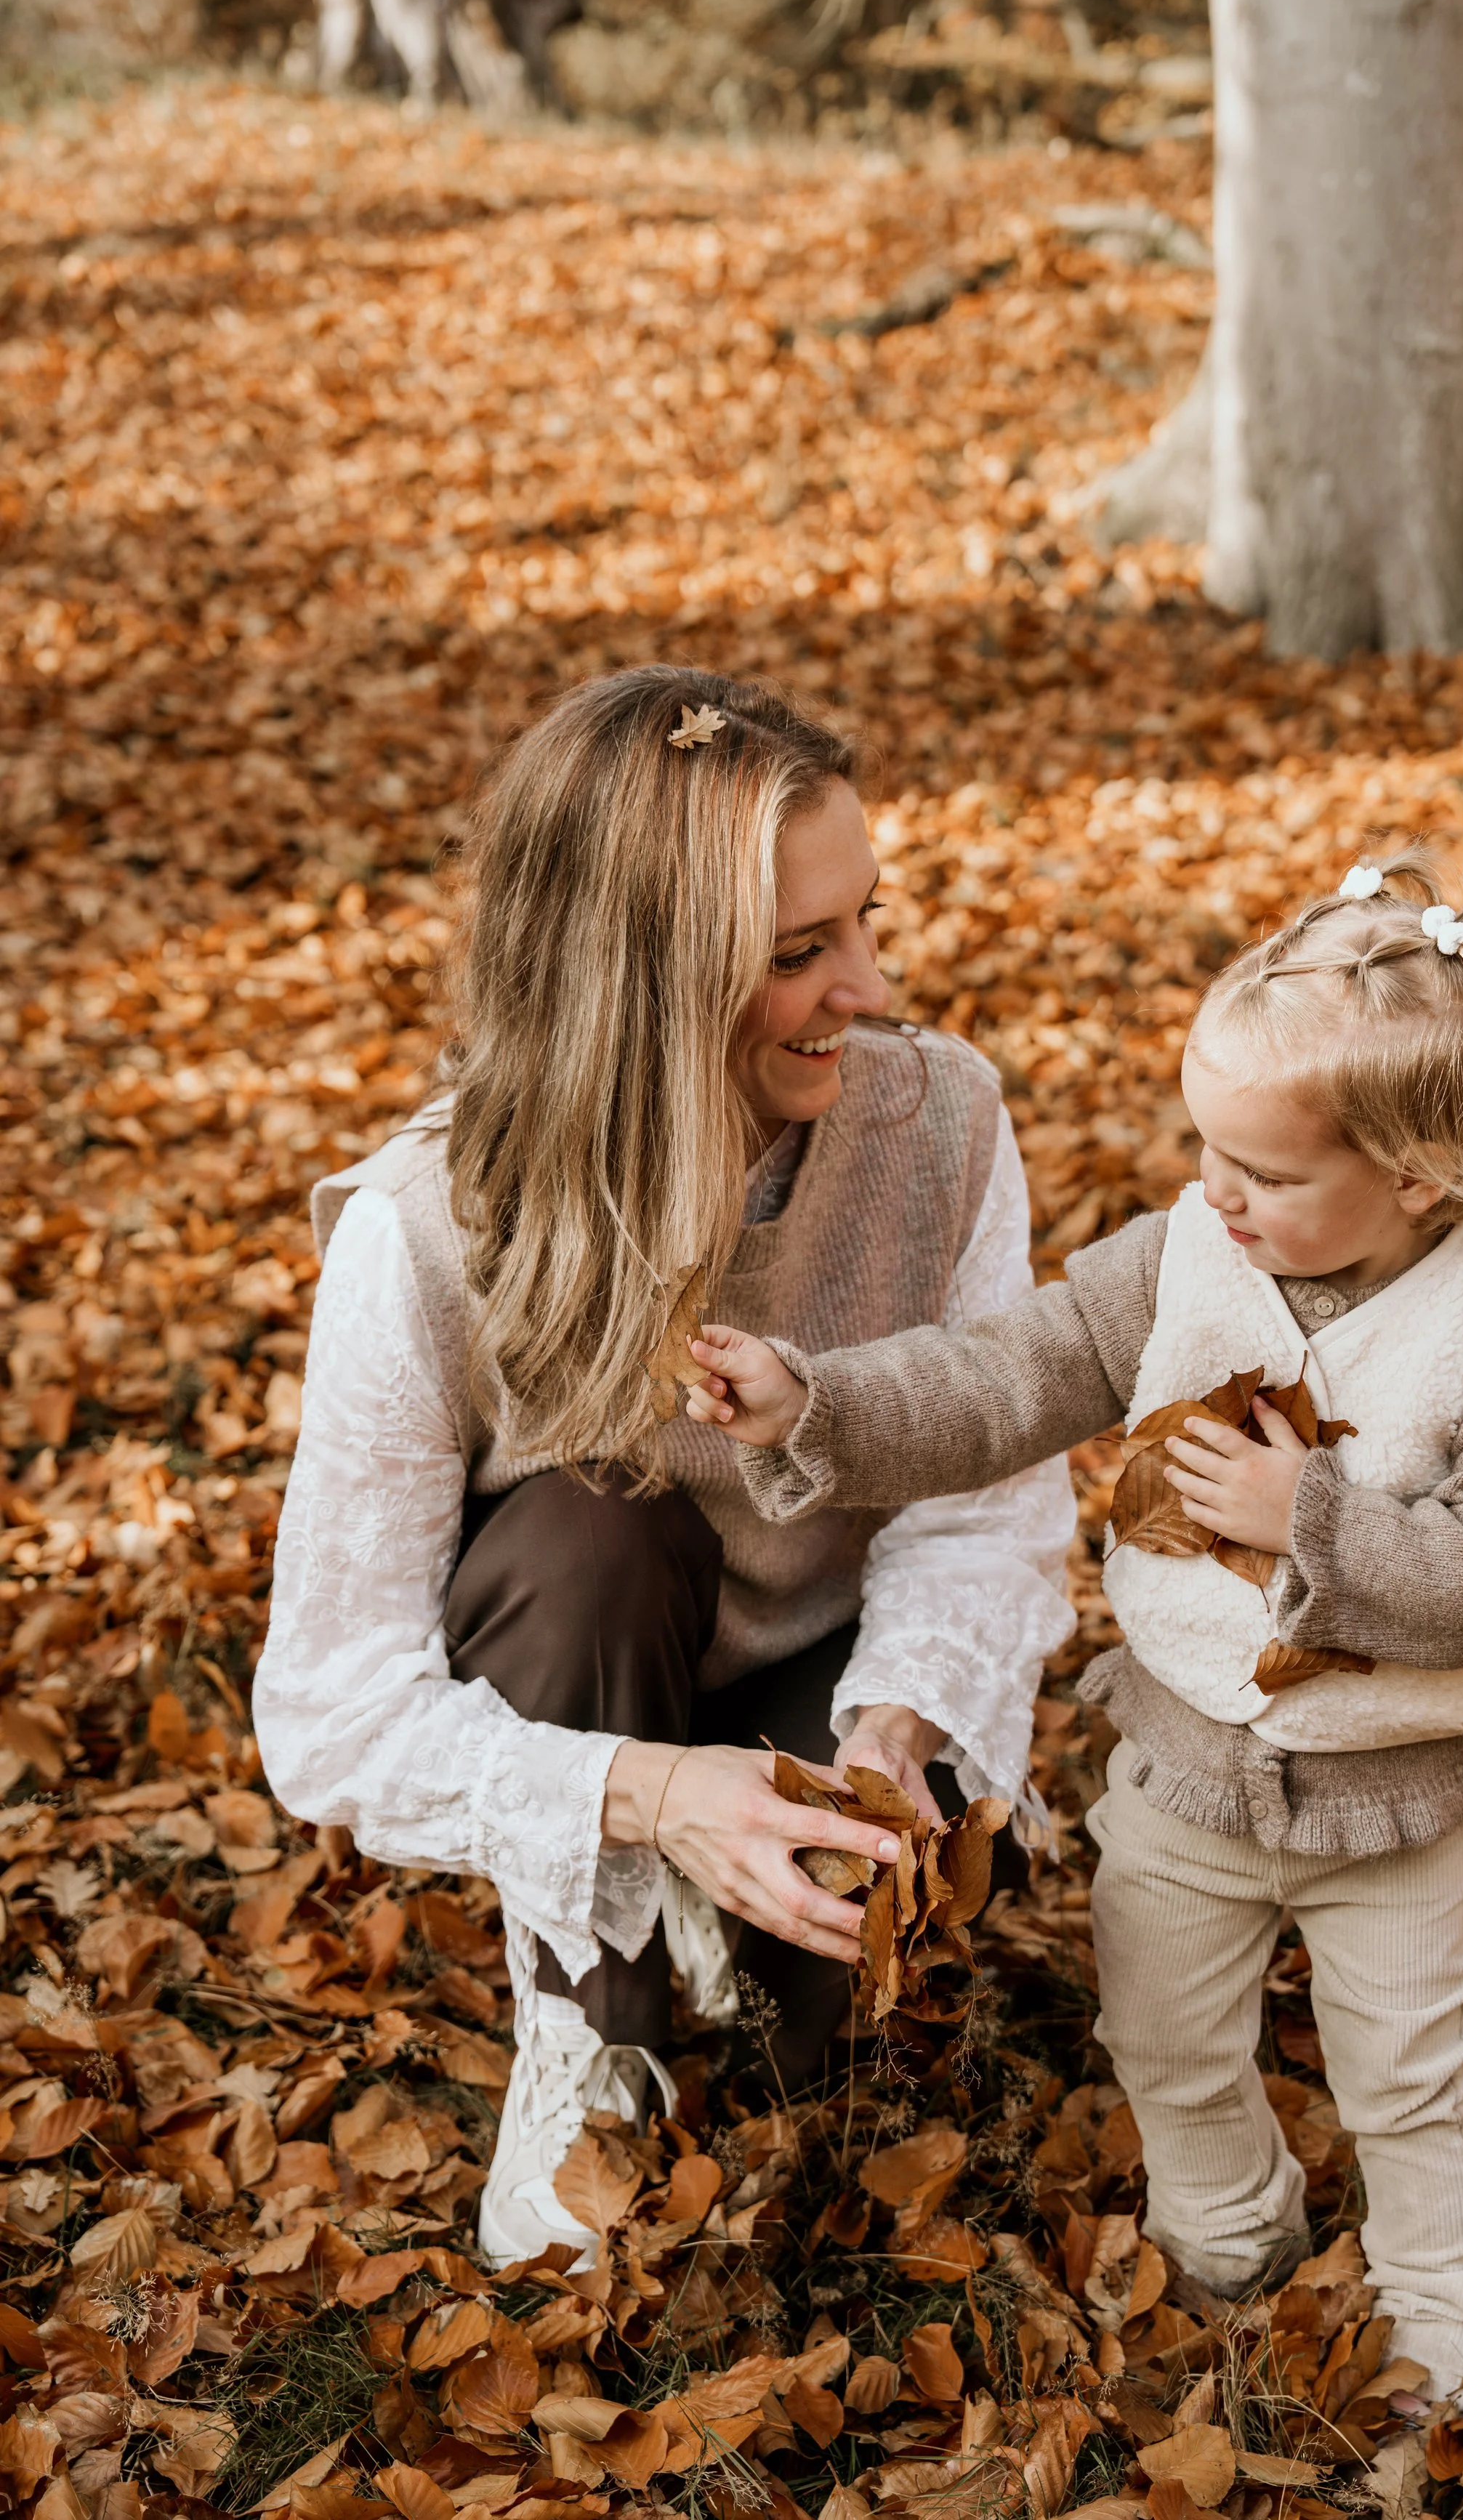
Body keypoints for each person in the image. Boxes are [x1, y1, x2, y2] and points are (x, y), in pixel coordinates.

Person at [682, 855, 1463, 2402]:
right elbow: (1009, 1374)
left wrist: (1307, 1521)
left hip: (1396, 1799)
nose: (1220, 1193)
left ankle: (1449, 2324)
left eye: (1265, 1170)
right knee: (1166, 2037)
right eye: (1208, 1151)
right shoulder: (1187, 1251)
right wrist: (820, 1400)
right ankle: (1228, 2230)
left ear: (1412, 1176)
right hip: (1183, 1771)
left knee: (1404, 2076)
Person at [254, 668, 1074, 2269]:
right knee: (590, 1529)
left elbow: (983, 1491)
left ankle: (722, 1905)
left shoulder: (942, 1127)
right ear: (643, 983)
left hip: (816, 1678)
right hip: (578, 1655)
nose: (872, 986)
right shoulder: (426, 1229)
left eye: (865, 922)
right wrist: (640, 1793)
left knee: (813, 2034)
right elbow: (328, 1704)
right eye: (798, 954)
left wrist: (898, 1718)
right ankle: (589, 2030)